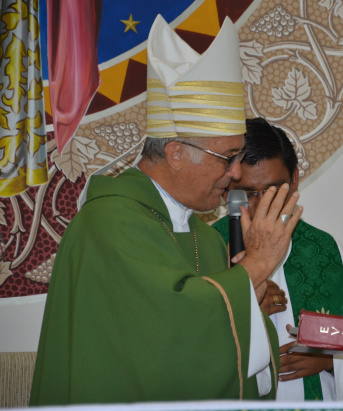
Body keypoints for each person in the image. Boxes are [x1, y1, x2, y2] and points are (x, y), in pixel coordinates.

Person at [30, 15, 302, 405]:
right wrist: (257, 264)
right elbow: (166, 344)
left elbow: (208, 353)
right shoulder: (108, 224)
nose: (237, 172)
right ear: (175, 154)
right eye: (227, 157)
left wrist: (244, 304)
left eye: (239, 156)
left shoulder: (205, 238)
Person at [212, 117, 343, 401]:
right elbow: (178, 353)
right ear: (227, 190)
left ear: (294, 180)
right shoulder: (204, 250)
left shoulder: (331, 257)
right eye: (248, 194)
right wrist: (244, 309)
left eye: (274, 191)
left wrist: (332, 362)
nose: (263, 204)